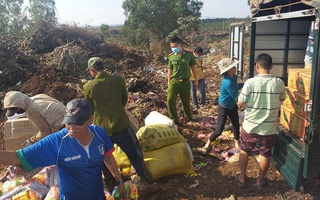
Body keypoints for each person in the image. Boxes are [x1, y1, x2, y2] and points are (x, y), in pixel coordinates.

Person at [0, 98, 127, 200]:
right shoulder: (57, 142)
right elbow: (16, 157)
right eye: (68, 122)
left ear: (90, 120)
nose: (71, 127)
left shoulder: (99, 134)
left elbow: (108, 156)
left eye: (77, 122)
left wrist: (119, 181)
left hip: (98, 196)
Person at [83, 57, 152, 190]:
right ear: (103, 67)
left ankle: (110, 183)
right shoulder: (117, 80)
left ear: (92, 70)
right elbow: (124, 100)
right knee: (134, 151)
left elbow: (89, 108)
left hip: (101, 129)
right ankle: (144, 176)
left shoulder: (88, 87)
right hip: (121, 124)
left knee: (104, 156)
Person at [236, 53, 285, 189]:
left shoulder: (250, 83)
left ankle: (242, 177)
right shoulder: (279, 83)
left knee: (244, 151)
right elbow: (282, 98)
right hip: (269, 128)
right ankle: (259, 181)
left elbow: (240, 102)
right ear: (271, 67)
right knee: (265, 153)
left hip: (250, 126)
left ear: (257, 66)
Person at [196, 58, 243, 155]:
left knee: (235, 125)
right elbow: (235, 96)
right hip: (224, 107)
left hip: (231, 106)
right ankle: (207, 144)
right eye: (233, 67)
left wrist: (243, 84)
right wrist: (243, 99)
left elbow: (235, 87)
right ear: (229, 70)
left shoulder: (232, 78)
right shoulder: (228, 82)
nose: (235, 68)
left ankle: (237, 143)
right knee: (219, 130)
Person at [167, 37, 198, 125]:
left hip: (185, 82)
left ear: (180, 45)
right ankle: (174, 119)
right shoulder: (171, 56)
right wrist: (169, 82)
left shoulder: (189, 55)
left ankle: (189, 118)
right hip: (174, 82)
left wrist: (196, 81)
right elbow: (170, 70)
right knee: (170, 100)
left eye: (175, 46)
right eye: (172, 47)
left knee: (186, 102)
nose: (174, 48)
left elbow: (193, 68)